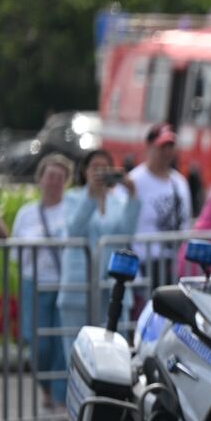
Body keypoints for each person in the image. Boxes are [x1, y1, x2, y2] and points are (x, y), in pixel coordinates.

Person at [58, 150, 140, 356]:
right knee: (75, 351)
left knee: (114, 349)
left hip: (111, 285)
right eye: (95, 167)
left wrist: (132, 195)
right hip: (79, 285)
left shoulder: (118, 200)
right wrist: (91, 197)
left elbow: (126, 234)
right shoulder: (72, 198)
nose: (100, 172)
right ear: (84, 171)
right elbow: (74, 229)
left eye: (105, 168)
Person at [11, 155, 74, 407]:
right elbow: (15, 253)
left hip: (64, 284)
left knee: (61, 341)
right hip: (34, 284)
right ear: (40, 179)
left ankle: (59, 397)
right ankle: (46, 387)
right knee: (39, 343)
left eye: (60, 178)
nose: (55, 182)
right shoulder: (26, 214)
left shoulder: (71, 210)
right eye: (51, 176)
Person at [129, 122, 192, 299]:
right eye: (162, 146)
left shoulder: (179, 182)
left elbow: (185, 221)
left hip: (173, 263)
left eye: (170, 146)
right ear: (149, 146)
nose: (167, 152)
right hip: (145, 263)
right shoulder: (135, 180)